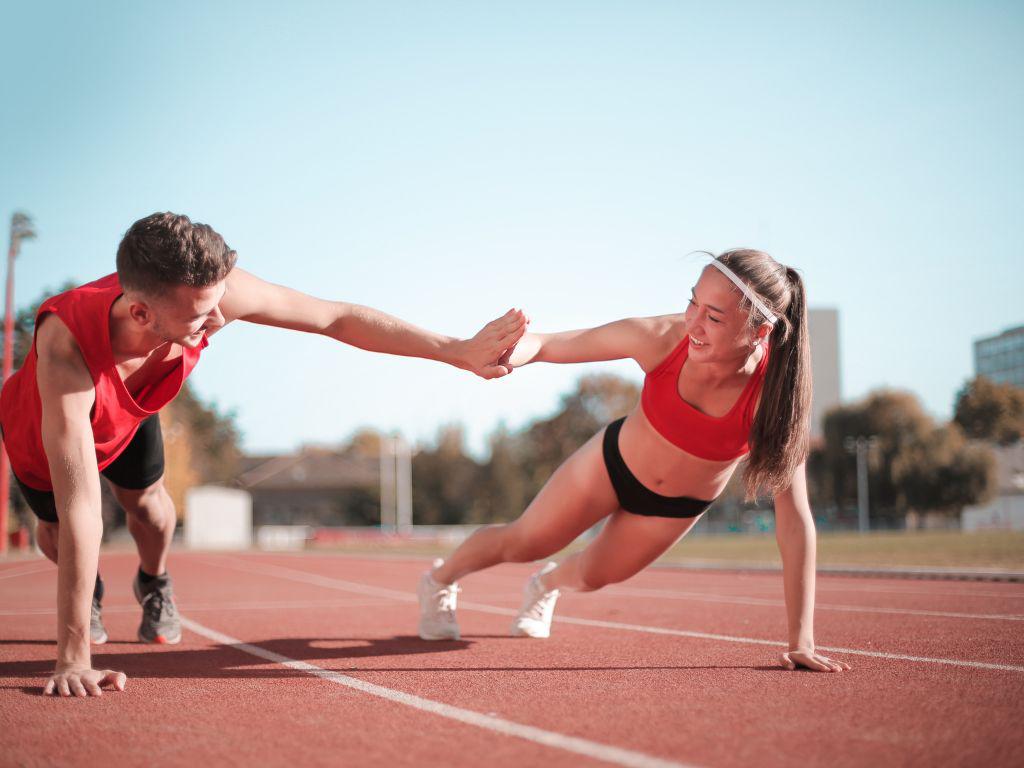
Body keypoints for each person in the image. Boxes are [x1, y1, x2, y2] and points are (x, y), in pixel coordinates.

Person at [0, 212, 527, 697]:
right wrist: (73, 660)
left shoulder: (216, 295)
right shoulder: (66, 349)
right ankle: (88, 592)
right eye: (200, 317)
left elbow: (336, 317)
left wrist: (454, 351)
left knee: (152, 510)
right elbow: (81, 506)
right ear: (140, 311)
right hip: (45, 427)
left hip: (131, 410)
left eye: (216, 305)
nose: (217, 322)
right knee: (61, 532)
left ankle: (153, 582)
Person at [417, 249, 849, 673]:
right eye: (692, 302)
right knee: (526, 541)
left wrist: (801, 641)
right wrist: (507, 353)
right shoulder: (661, 337)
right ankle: (439, 580)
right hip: (611, 465)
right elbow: (549, 344)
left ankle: (544, 586)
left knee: (592, 576)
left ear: (759, 332)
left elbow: (794, 519)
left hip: (674, 508)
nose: (693, 324)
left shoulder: (774, 399)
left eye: (714, 317)